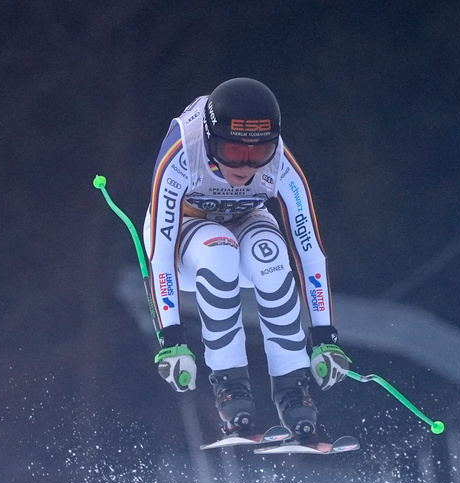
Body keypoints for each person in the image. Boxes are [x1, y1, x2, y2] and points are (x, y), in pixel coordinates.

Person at [143, 77, 350, 441]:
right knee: (219, 250)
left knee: (270, 255)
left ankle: (292, 389)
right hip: (188, 234)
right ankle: (231, 386)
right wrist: (172, 339)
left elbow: (309, 251)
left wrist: (324, 337)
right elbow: (159, 256)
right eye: (232, 153)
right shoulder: (182, 151)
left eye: (258, 154)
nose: (245, 166)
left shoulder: (280, 162)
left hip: (246, 221)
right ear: (208, 140)